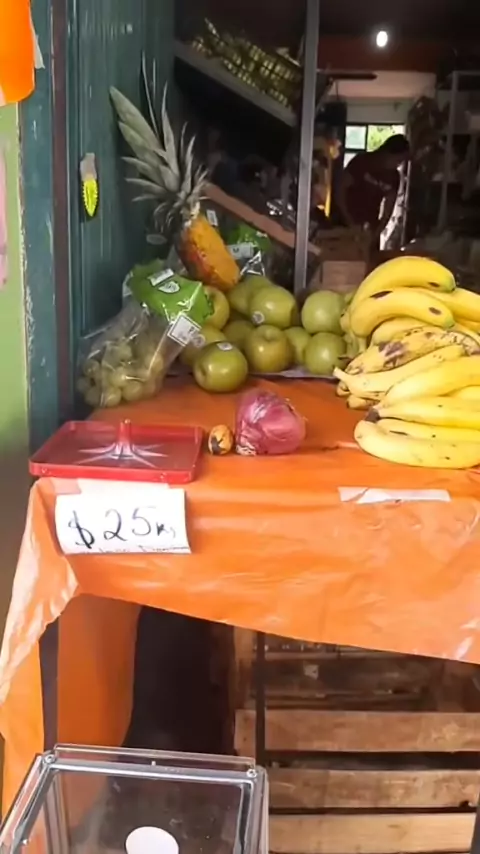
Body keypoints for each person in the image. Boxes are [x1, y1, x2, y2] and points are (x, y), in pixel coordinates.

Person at [337, 134, 410, 250]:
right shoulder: (362, 162)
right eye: (397, 160)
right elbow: (340, 190)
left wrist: (376, 234)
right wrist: (348, 220)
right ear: (387, 152)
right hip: (345, 224)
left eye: (401, 162)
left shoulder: (393, 177)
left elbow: (388, 210)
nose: (398, 164)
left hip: (369, 228)